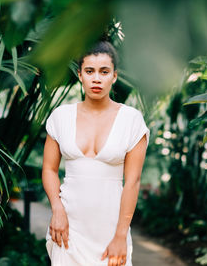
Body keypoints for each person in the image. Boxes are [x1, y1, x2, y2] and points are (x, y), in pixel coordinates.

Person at [42, 41, 150, 266]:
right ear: (80, 75)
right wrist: (57, 209)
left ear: (114, 76)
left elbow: (133, 182)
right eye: (89, 71)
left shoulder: (131, 120)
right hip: (68, 229)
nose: (97, 79)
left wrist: (121, 235)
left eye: (104, 72)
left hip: (110, 232)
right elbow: (50, 169)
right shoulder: (61, 117)